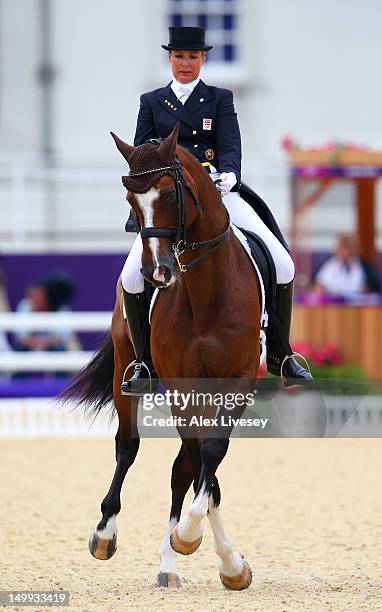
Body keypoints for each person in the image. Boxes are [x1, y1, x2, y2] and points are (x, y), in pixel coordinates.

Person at [120, 26, 313, 394]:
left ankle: (281, 353)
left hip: (217, 197)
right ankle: (143, 362)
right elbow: (143, 155)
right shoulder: (152, 101)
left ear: (203, 59)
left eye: (192, 57)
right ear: (170, 59)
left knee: (283, 264)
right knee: (131, 277)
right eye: (179, 57)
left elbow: (230, 145)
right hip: (169, 205)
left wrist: (229, 173)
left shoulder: (219, 98)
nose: (185, 63)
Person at [14, 272, 79, 352]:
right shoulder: (25, 305)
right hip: (28, 349)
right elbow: (22, 337)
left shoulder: (62, 309)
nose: (36, 297)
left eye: (40, 294)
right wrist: (37, 343)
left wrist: (45, 343)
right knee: (19, 349)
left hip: (52, 349)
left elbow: (62, 338)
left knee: (59, 349)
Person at [314, 234, 380, 297]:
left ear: (353, 248)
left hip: (358, 304)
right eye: (341, 247)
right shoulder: (328, 264)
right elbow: (318, 285)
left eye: (347, 247)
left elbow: (373, 287)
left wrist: (367, 288)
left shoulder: (365, 266)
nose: (344, 251)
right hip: (333, 304)